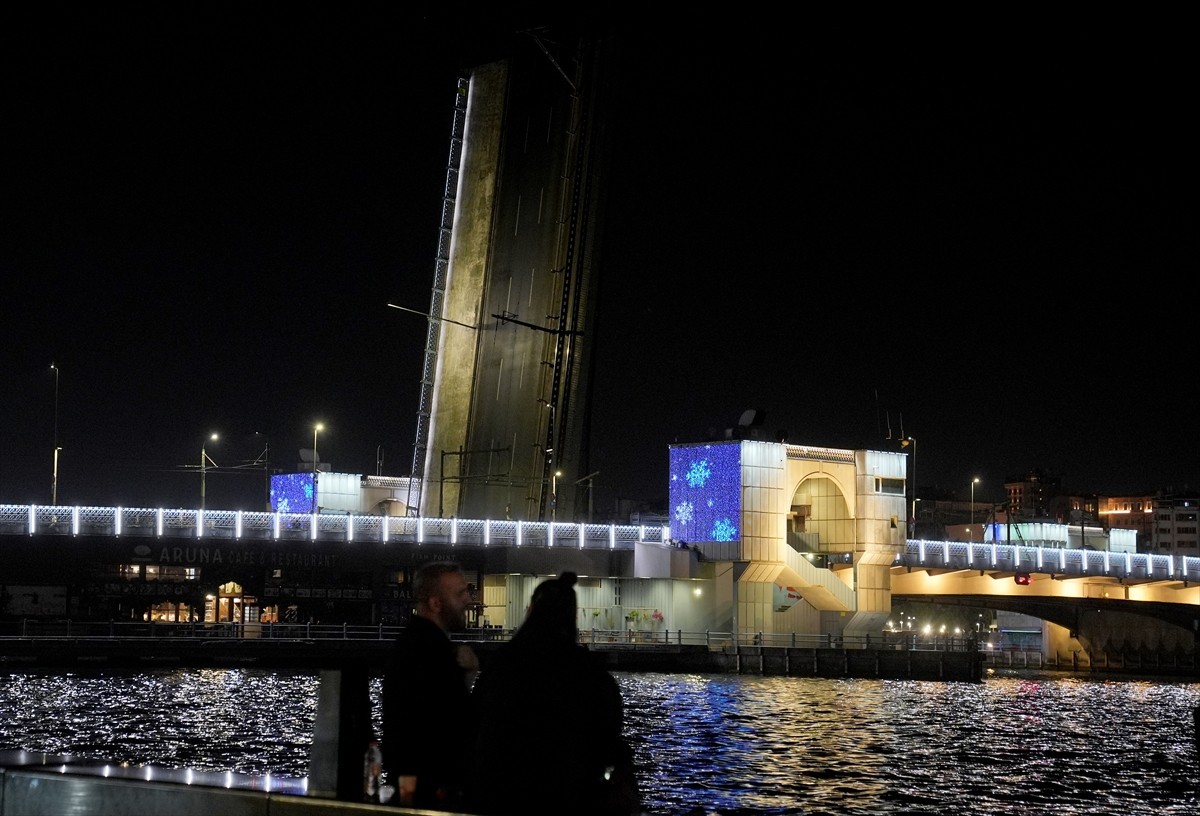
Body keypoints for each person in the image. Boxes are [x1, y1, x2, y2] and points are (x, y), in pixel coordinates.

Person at [467, 571, 640, 816]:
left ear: (531, 611)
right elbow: (608, 731)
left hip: (502, 795)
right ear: (572, 616)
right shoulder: (588, 671)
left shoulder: (502, 665)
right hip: (571, 795)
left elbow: (475, 723)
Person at [381, 561, 480, 810]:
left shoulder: (411, 644)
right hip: (434, 791)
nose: (469, 600)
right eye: (460, 593)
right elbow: (455, 723)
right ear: (436, 604)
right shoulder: (435, 652)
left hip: (409, 786)